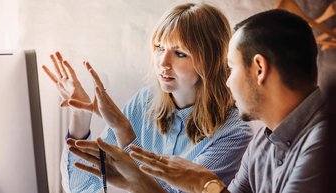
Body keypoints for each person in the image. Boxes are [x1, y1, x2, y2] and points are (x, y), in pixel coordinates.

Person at [73, 9, 329, 193]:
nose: (227, 81)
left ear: (259, 69)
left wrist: (205, 185)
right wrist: (137, 181)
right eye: (159, 48)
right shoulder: (265, 142)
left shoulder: (324, 142)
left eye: (231, 68)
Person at [42, 3, 253, 193]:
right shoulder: (144, 102)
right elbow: (81, 188)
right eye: (159, 48)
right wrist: (80, 116)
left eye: (180, 53)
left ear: (211, 60)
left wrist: (124, 131)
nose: (163, 62)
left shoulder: (234, 132)